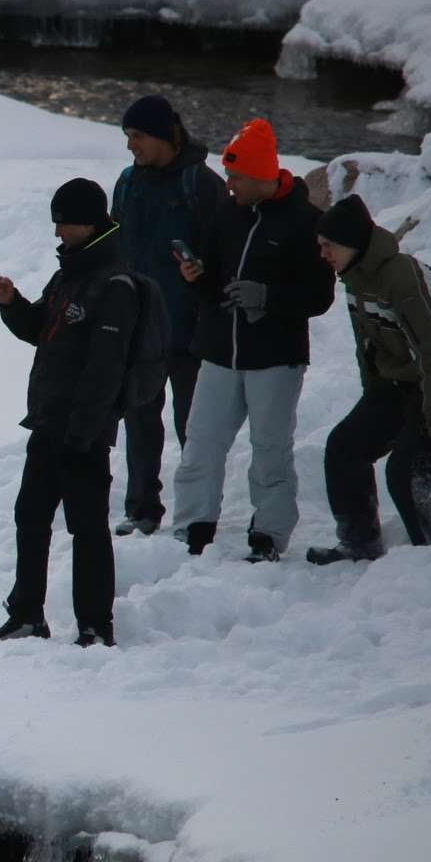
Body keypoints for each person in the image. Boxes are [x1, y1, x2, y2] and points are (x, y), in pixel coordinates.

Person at [0, 179, 141, 648]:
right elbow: (41, 331)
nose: (57, 234)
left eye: (64, 224)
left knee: (87, 526)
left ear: (89, 223)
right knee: (30, 516)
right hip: (49, 422)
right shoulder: (70, 273)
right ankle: (27, 615)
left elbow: (107, 368)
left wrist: (85, 428)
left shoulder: (113, 283)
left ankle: (95, 625)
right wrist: (11, 301)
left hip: (82, 432)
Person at [169, 118, 335, 562]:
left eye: (236, 176)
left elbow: (319, 296)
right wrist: (195, 276)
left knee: (269, 449)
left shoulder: (305, 222)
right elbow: (211, 278)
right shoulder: (226, 214)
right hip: (219, 351)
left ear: (262, 176)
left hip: (275, 358)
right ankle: (191, 528)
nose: (229, 184)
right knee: (200, 443)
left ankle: (269, 535)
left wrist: (268, 298)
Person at [307, 194, 431, 564]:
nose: (322, 254)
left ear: (352, 244)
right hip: (399, 377)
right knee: (344, 447)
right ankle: (359, 542)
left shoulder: (402, 277)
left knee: (406, 469)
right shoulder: (355, 278)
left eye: (328, 246)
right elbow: (366, 346)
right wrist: (373, 399)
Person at [110, 94, 228, 535]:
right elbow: (113, 249)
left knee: (192, 429)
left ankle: (197, 514)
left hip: (189, 327)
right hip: (139, 329)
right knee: (140, 422)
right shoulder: (126, 183)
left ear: (162, 135)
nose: (130, 146)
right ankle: (142, 509)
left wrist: (203, 271)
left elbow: (226, 250)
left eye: (137, 136)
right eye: (127, 136)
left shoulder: (200, 183)